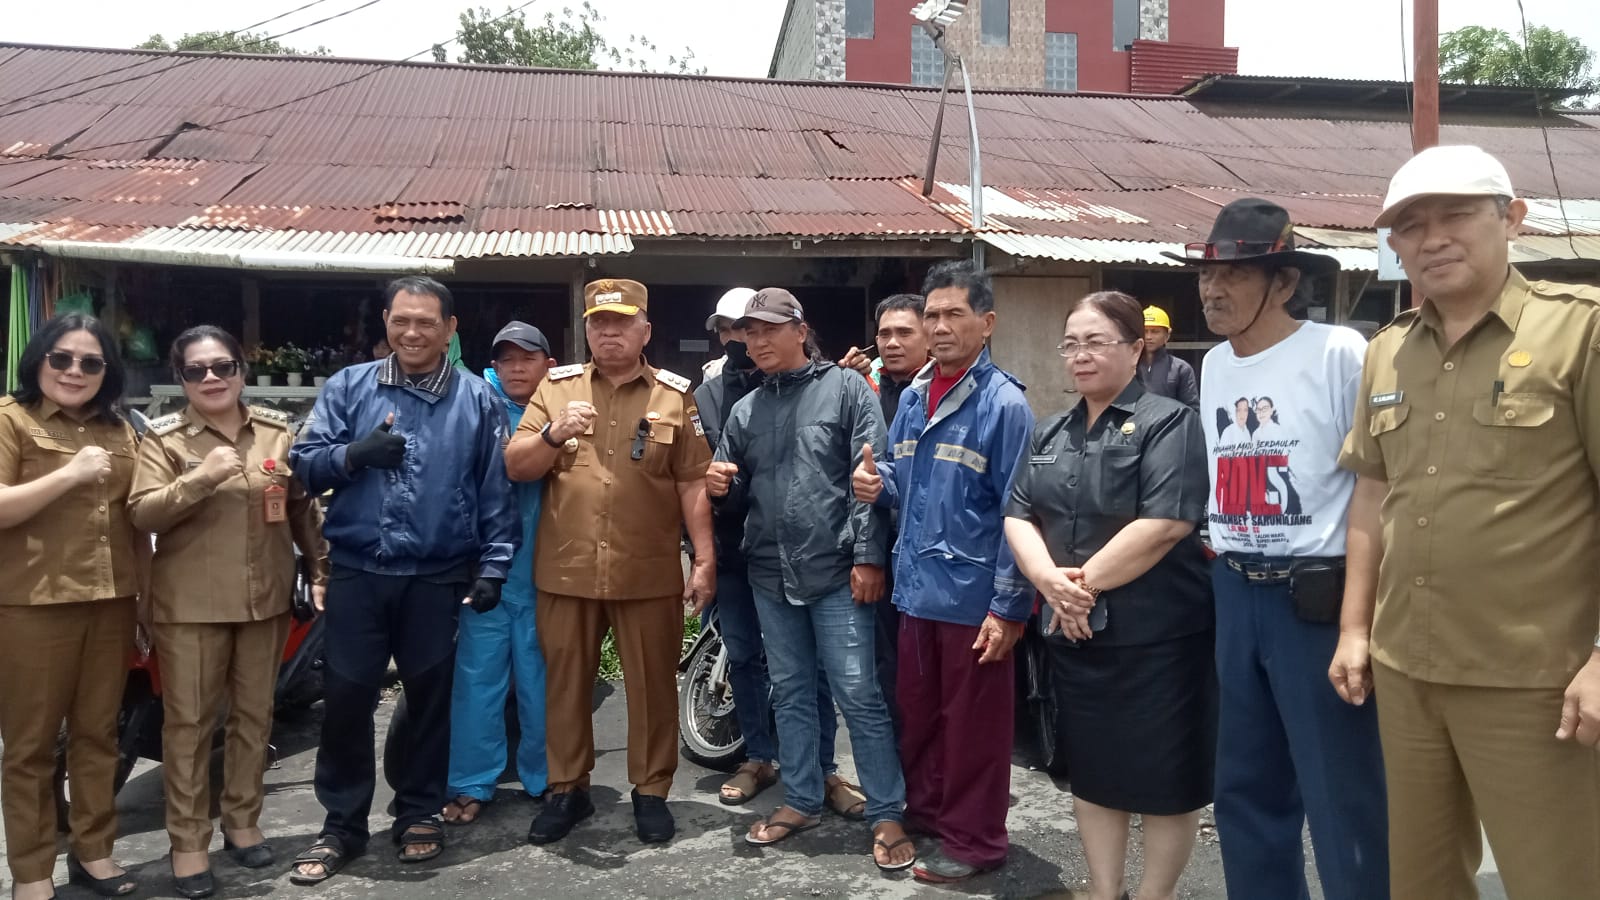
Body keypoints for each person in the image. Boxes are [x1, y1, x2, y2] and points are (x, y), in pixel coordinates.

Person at [1335, 144, 1600, 899]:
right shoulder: (1386, 354)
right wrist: (1356, 629)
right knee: (1421, 879)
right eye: (1411, 225)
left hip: (1534, 681)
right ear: (1393, 246)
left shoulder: (1577, 334)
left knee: (1557, 879)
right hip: (1406, 669)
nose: (1433, 237)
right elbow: (1372, 496)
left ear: (1512, 219)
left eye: (1456, 214)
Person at [1167, 198, 1389, 900]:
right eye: (1207, 274)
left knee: (1342, 790)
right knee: (1245, 787)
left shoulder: (1340, 354)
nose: (1213, 289)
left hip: (1317, 599)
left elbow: (1377, 485)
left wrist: (1360, 617)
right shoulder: (1215, 369)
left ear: (1286, 282)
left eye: (1235, 274)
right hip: (1235, 589)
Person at [288, 276, 518, 884]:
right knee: (346, 700)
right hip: (360, 572)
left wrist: (494, 568)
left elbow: (495, 491)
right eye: (400, 321)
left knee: (428, 702)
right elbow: (304, 467)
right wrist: (353, 455)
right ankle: (342, 824)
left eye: (425, 322)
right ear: (385, 323)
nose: (412, 333)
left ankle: (418, 810)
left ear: (449, 328)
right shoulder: (348, 387)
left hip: (436, 577)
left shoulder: (477, 400)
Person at [1002, 290, 1214, 900]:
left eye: (1096, 342)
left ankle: (1153, 895)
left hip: (1158, 635)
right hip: (1077, 632)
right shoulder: (1050, 431)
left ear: (1135, 346)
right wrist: (1048, 583)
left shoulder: (1169, 422)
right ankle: (1103, 889)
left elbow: (1165, 523)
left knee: (1164, 777)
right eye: (1071, 344)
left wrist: (1079, 586)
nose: (1080, 356)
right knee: (1093, 772)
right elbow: (1018, 515)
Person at [705, 288, 913, 872]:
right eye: (750, 332)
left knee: (859, 695)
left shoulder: (847, 389)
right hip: (769, 574)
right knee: (791, 692)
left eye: (770, 329)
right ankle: (801, 797)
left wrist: (870, 558)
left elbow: (871, 477)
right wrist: (721, 486)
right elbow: (735, 494)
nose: (759, 341)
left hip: (835, 571)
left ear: (801, 329)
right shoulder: (746, 409)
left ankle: (887, 810)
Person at [507, 278, 715, 846]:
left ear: (644, 329)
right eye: (598, 322)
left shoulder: (674, 396)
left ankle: (651, 791)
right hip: (568, 569)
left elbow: (692, 481)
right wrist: (553, 433)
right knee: (566, 685)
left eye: (621, 322)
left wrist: (704, 559)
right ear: (586, 330)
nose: (609, 332)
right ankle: (566, 788)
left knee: (651, 686)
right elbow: (517, 464)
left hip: (644, 569)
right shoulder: (555, 389)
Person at [128, 326, 330, 899]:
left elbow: (300, 509)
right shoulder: (163, 440)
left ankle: (242, 821)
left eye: (223, 366)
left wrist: (318, 572)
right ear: (183, 379)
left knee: (254, 718)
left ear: (241, 369)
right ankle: (188, 843)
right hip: (189, 608)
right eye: (197, 370)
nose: (212, 378)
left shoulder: (274, 431)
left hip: (263, 602)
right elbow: (143, 514)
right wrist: (202, 477)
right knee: (189, 728)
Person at [852, 265, 1034, 883]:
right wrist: (876, 485)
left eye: (955, 315)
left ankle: (976, 841)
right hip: (916, 592)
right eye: (932, 316)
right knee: (920, 714)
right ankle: (929, 815)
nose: (940, 327)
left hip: (974, 598)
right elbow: (905, 481)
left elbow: (1020, 512)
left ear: (986, 324)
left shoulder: (1004, 403)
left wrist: (1009, 608)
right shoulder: (912, 397)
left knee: (975, 730)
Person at [694, 293, 862, 816]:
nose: (746, 338)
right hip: (741, 552)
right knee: (745, 656)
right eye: (733, 328)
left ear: (790, 330)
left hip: (808, 553)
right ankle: (760, 758)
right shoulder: (710, 395)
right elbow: (709, 482)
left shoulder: (817, 381)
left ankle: (821, 770)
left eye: (758, 326)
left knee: (810, 673)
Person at [0, 313, 142, 900]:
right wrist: (71, 473)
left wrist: (147, 608)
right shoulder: (12, 419)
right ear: (38, 360)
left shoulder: (122, 428)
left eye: (90, 362)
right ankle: (32, 874)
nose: (74, 371)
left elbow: (137, 521)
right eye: (62, 358)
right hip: (34, 604)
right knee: (30, 747)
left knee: (98, 737)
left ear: (106, 372)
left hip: (111, 604)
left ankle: (95, 854)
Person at [441, 322, 556, 826]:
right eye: (505, 359)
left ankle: (549, 777)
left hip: (551, 578)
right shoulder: (473, 409)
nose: (515, 367)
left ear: (547, 365)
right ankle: (471, 782)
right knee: (477, 683)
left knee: (544, 684)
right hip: (488, 576)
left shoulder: (565, 411)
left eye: (526, 358)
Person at [1138, 305, 1200, 409]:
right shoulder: (1128, 367)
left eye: (1155, 331)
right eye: (1145, 331)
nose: (1148, 337)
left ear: (1167, 335)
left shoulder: (1181, 369)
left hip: (1169, 424)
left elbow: (1192, 410)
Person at [702, 287, 755, 382]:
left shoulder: (785, 370)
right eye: (723, 330)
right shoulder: (713, 375)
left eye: (740, 327)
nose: (733, 338)